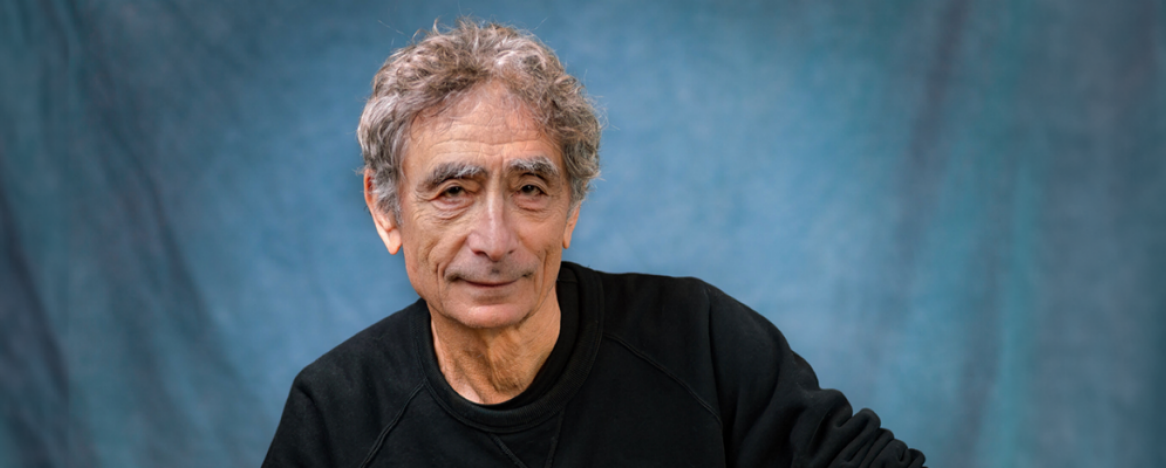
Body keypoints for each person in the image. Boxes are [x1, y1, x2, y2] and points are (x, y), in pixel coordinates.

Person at [262, 19, 926, 467]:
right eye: (453, 193)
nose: (494, 241)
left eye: (530, 190)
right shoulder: (336, 416)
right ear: (387, 213)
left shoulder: (702, 344)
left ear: (571, 210)